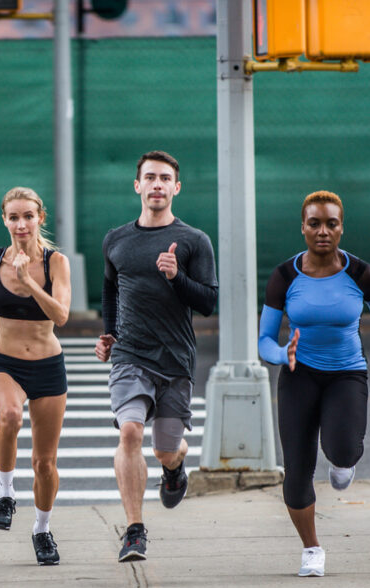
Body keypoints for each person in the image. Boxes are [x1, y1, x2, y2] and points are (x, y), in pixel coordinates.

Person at [258, 190, 370, 578]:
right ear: (302, 228)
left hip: (346, 374)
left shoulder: (362, 274)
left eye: (331, 224)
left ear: (342, 228)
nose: (323, 231)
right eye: (315, 223)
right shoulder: (284, 276)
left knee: (341, 450)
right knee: (297, 471)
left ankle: (344, 461)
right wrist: (281, 355)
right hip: (298, 375)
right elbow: (264, 341)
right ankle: (311, 549)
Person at [94, 150, 218, 563]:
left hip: (176, 359)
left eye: (165, 178)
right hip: (130, 354)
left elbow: (207, 303)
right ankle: (134, 531)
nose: (157, 185)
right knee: (129, 432)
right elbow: (111, 289)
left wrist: (175, 277)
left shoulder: (194, 241)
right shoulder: (116, 239)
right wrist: (108, 333)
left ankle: (173, 465)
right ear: (138, 185)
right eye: (150, 177)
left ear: (176, 188)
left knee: (166, 447)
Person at [0, 187, 71, 566]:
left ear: (40, 217)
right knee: (9, 415)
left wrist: (27, 284)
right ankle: (5, 494)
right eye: (14, 217)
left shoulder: (56, 263)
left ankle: (42, 530)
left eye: (28, 216)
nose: (21, 224)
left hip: (47, 367)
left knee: (44, 463)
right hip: (4, 362)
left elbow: (61, 316)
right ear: (4, 220)